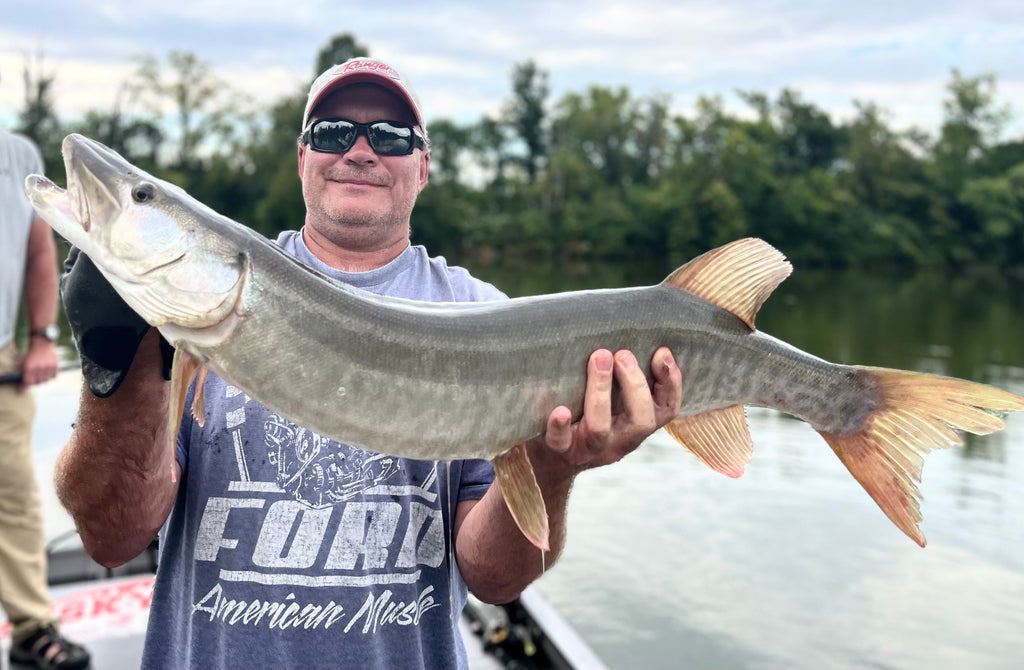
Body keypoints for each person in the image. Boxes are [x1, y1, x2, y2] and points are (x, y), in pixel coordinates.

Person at [54, 57, 683, 670]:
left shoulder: (483, 315)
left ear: (423, 168)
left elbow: (495, 580)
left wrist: (550, 467)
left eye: (389, 135)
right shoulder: (188, 331)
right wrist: (119, 369)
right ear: (303, 158)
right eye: (331, 132)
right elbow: (113, 538)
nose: (360, 149)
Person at [0, 73, 91, 670]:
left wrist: (41, 338)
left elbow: (39, 249)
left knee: (14, 497)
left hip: (2, 361)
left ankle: (32, 626)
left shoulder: (20, 154)